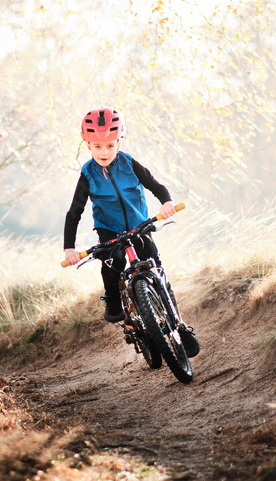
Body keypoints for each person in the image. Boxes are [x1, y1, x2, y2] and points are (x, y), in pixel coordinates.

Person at [62, 106, 196, 352]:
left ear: (119, 141)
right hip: (109, 230)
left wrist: (166, 203)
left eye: (110, 146)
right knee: (113, 262)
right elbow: (74, 213)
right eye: (97, 146)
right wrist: (69, 248)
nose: (104, 152)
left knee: (158, 271)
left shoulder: (129, 163)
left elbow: (156, 185)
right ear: (87, 143)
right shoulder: (87, 174)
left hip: (138, 226)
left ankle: (178, 323)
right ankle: (113, 302)